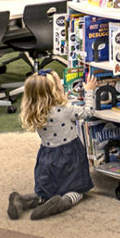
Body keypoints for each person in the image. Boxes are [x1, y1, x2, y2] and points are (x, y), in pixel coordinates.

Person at [7, 71, 93, 221]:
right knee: (77, 189)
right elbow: (88, 112)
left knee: (43, 192)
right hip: (70, 156)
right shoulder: (66, 110)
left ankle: (23, 200)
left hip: (46, 157)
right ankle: (61, 203)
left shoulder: (35, 112)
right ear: (55, 90)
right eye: (59, 83)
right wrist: (90, 91)